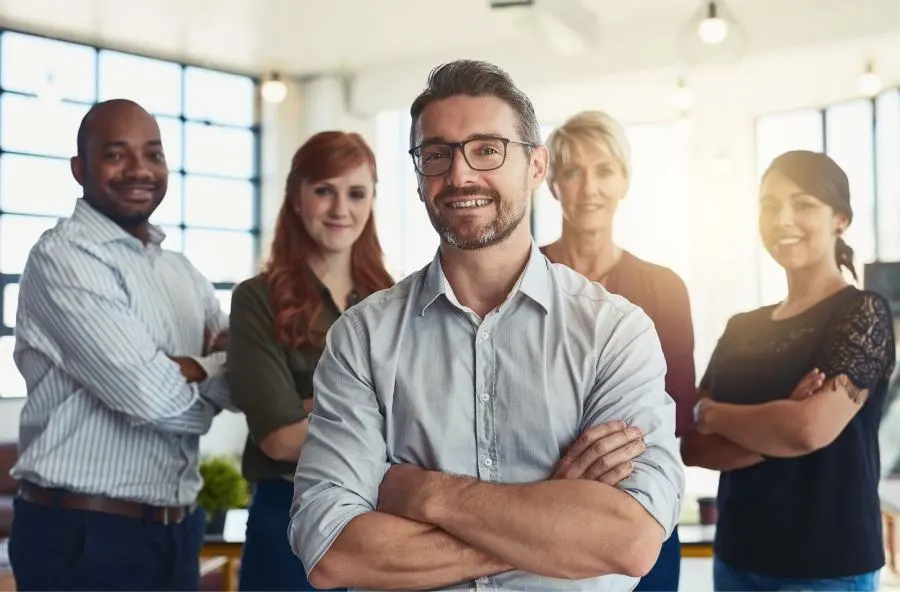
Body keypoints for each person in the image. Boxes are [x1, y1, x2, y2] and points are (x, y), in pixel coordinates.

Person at [288, 59, 684, 592]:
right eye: (436, 155)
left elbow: (628, 541)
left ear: (536, 167)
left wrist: (427, 495)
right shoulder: (361, 338)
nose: (459, 175)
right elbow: (333, 553)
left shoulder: (614, 332)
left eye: (487, 150)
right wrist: (549, 518)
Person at [8, 99, 232, 591]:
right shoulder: (63, 259)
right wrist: (209, 378)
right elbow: (150, 399)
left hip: (177, 529)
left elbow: (243, 379)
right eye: (116, 154)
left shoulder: (181, 272)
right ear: (79, 168)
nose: (140, 169)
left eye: (153, 154)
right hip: (84, 534)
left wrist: (192, 370)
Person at [682, 150, 896, 591]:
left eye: (803, 204)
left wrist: (714, 412)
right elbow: (694, 449)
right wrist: (778, 421)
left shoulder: (862, 313)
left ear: (840, 218)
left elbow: (807, 431)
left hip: (828, 566)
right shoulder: (742, 327)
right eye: (770, 205)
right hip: (738, 555)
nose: (783, 219)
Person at [228, 131, 394, 591]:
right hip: (287, 516)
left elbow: (428, 418)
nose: (341, 208)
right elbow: (279, 438)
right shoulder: (256, 299)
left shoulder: (394, 301)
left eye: (356, 193)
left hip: (383, 514)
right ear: (296, 198)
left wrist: (312, 406)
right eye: (324, 190)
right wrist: (376, 418)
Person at [541, 110, 696, 591]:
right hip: (542, 511)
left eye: (604, 170)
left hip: (641, 508)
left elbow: (680, 411)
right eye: (573, 171)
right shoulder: (519, 281)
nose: (590, 188)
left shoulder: (664, 289)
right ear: (551, 183)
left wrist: (592, 457)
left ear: (625, 181)